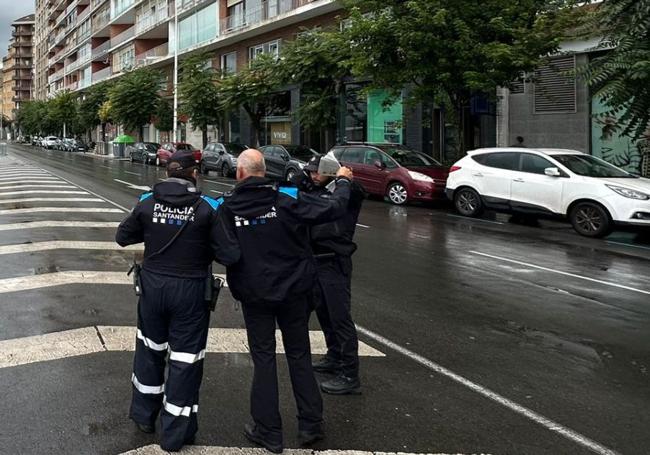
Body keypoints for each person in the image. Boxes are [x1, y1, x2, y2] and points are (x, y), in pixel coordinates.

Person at [216, 149, 353, 453]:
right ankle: (310, 425)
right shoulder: (288, 199)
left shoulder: (228, 207)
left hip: (255, 295)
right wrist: (342, 181)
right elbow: (333, 208)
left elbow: (224, 251)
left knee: (263, 359)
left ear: (239, 173)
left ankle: (268, 430)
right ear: (264, 171)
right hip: (294, 292)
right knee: (299, 355)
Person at [115, 150, 238, 452]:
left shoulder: (147, 202)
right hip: (190, 291)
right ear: (194, 172)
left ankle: (144, 416)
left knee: (149, 349)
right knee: (184, 360)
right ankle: (175, 435)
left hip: (153, 287)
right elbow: (230, 255)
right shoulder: (208, 206)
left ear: (168, 171)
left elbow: (123, 236)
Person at [294, 156, 365, 395]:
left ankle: (349, 374)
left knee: (340, 317)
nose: (314, 176)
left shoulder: (346, 193)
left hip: (335, 261)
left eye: (319, 172)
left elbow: (352, 194)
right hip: (315, 261)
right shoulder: (314, 190)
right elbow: (299, 192)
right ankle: (334, 356)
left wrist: (344, 178)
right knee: (324, 315)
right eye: (311, 172)